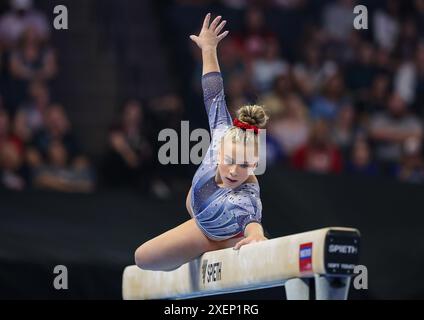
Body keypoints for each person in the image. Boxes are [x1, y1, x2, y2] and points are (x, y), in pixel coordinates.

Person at [135, 14, 268, 272]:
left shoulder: (245, 198)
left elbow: (252, 220)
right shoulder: (221, 134)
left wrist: (256, 235)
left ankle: (223, 243)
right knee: (141, 258)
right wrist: (208, 49)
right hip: (202, 213)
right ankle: (219, 242)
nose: (233, 171)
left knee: (145, 258)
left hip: (210, 230)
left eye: (244, 166)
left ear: (253, 165)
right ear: (219, 151)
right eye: (229, 161)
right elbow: (214, 93)